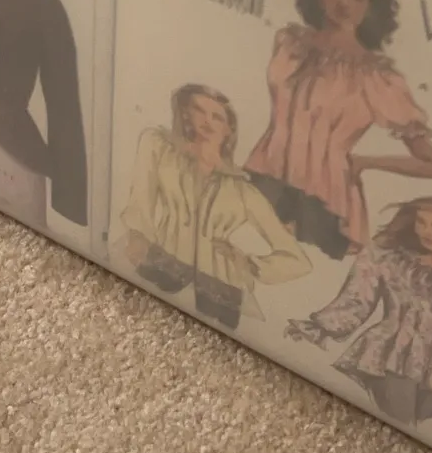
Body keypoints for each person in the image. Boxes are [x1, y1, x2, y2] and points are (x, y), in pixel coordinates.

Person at [244, 0, 432, 259]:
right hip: (264, 174)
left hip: (324, 198)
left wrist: (366, 162)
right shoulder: (289, 42)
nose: (343, 3)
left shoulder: (376, 76)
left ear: (370, 6)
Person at [287, 196, 432, 445]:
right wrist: (319, 328)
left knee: (418, 438)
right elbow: (357, 300)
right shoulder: (394, 263)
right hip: (388, 360)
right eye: (421, 222)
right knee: (397, 433)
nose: (426, 232)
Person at [121, 84, 312, 333]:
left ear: (228, 128)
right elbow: (141, 199)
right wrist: (137, 233)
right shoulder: (160, 148)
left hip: (220, 290)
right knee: (139, 324)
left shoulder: (243, 190)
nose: (207, 121)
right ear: (186, 114)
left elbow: (298, 261)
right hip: (162, 265)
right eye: (199, 110)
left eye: (217, 117)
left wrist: (249, 263)